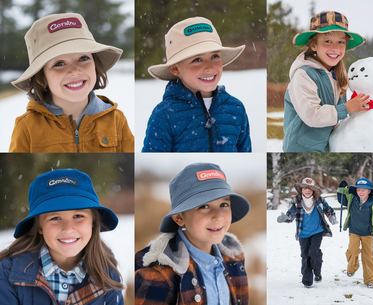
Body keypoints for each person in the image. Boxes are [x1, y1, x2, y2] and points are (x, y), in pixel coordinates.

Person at [9, 13, 134, 153]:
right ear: (40, 77)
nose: (75, 71)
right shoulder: (27, 126)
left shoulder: (116, 120)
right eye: (59, 63)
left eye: (83, 58)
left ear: (95, 65)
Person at [0, 169, 124, 304]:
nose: (68, 228)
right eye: (55, 218)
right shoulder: (6, 274)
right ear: (39, 227)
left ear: (93, 223)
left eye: (78, 216)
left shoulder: (107, 273)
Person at [135, 163, 250, 304]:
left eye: (224, 205)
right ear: (179, 218)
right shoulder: (157, 274)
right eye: (205, 206)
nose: (219, 216)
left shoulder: (234, 256)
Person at [142, 17, 252, 152]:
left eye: (215, 56)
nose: (209, 68)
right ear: (176, 69)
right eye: (197, 59)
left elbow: (244, 154)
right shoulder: (165, 115)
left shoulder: (236, 109)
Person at [282, 11, 371, 152]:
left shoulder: (338, 76)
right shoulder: (303, 75)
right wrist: (347, 108)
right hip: (301, 148)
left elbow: (336, 120)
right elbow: (312, 115)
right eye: (327, 41)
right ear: (313, 45)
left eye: (340, 42)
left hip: (325, 147)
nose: (334, 48)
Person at [277, 178, 338, 288]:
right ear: (301, 189)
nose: (307, 190)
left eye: (310, 188)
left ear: (314, 190)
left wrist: (331, 216)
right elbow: (291, 214)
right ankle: (307, 280)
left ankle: (317, 272)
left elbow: (328, 210)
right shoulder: (296, 200)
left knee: (314, 252)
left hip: (317, 231)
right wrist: (285, 218)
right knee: (305, 256)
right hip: (303, 233)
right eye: (305, 188)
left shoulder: (319, 200)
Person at [337, 178, 373, 288]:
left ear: (369, 191)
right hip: (354, 231)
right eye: (359, 190)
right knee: (352, 250)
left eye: (363, 190)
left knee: (368, 256)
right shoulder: (352, 198)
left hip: (368, 233)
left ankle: (370, 279)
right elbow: (341, 199)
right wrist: (341, 188)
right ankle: (352, 268)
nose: (361, 192)